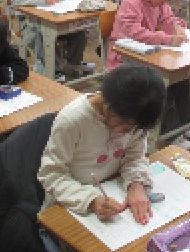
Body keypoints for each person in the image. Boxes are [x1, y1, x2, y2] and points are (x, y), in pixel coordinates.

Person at [38, 64, 165, 222]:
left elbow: (134, 156)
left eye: (134, 127)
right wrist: (91, 200)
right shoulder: (72, 121)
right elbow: (51, 174)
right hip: (71, 201)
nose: (127, 132)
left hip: (110, 190)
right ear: (106, 103)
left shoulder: (135, 118)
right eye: (123, 124)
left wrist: (136, 185)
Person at [107, 0, 190, 151]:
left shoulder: (159, 2)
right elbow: (135, 33)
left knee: (181, 77)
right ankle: (170, 134)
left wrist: (177, 28)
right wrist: (168, 39)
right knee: (163, 85)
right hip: (124, 57)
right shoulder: (131, 1)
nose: (167, 2)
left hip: (147, 54)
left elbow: (168, 19)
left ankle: (185, 124)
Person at [11, 0, 94, 82]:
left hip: (56, 18)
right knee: (42, 35)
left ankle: (73, 63)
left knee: (79, 30)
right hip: (30, 22)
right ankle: (53, 69)